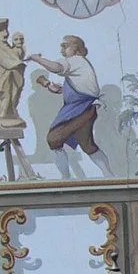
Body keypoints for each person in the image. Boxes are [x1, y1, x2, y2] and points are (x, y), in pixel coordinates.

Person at [31, 35, 111, 177]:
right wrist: (58, 89)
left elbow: (56, 67)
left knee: (53, 139)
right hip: (84, 108)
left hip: (80, 109)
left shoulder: (76, 60)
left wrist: (36, 58)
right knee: (87, 145)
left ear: (77, 49)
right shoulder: (80, 64)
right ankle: (108, 174)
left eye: (65, 46)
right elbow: (80, 88)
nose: (62, 49)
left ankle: (65, 177)